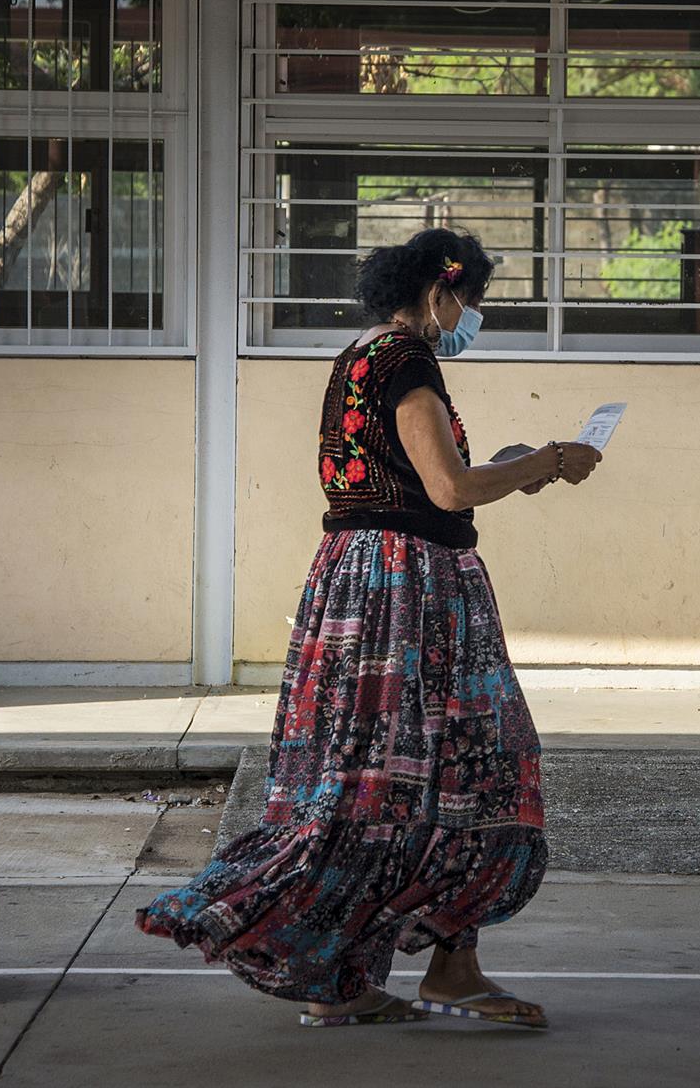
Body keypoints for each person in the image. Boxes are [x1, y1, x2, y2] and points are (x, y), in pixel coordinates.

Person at [136, 227, 602, 1029]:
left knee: (363, 780)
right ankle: (449, 970)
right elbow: (449, 490)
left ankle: (341, 979)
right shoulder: (408, 360)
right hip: (410, 592)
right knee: (482, 764)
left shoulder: (358, 357)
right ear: (437, 293)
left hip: (360, 584)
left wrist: (513, 465)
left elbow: (416, 477)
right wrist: (552, 459)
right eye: (471, 301)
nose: (473, 318)